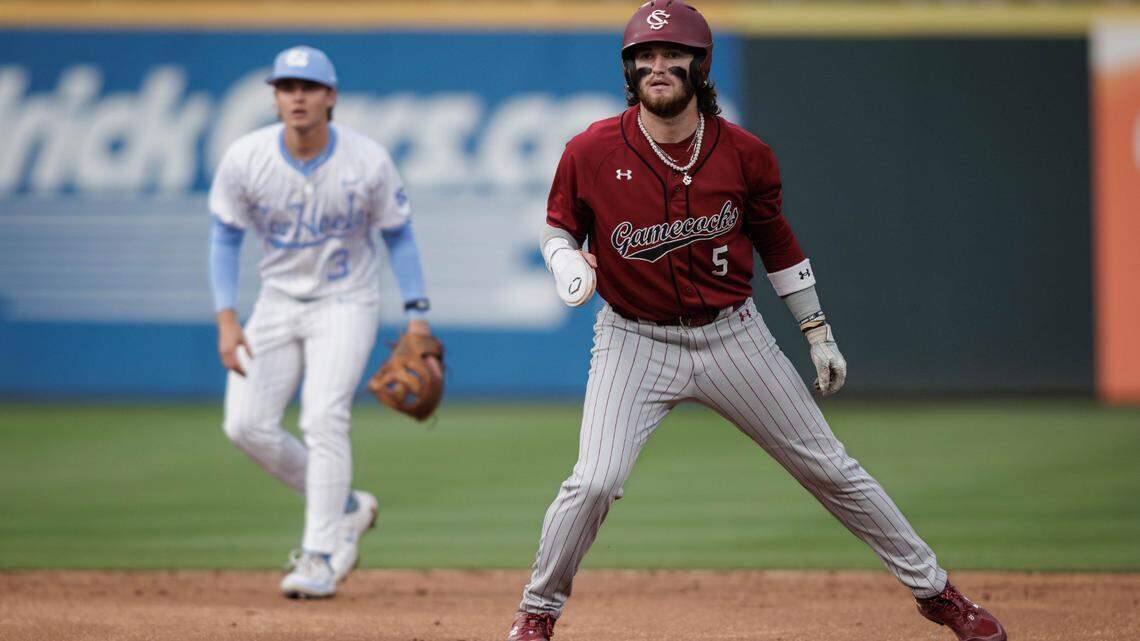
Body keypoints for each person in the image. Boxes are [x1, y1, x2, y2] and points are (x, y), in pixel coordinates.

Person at [506, 3, 1007, 640]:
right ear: (629, 70)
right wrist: (561, 259)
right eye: (644, 57)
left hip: (732, 336)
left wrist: (817, 332)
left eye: (672, 55)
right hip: (633, 338)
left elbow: (777, 245)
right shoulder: (591, 150)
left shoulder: (744, 154)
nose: (657, 66)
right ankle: (537, 612)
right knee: (594, 482)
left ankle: (938, 594)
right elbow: (558, 227)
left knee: (830, 468)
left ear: (700, 65)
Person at [207, 45, 437, 599]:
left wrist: (417, 315)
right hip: (277, 302)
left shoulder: (367, 160)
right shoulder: (246, 158)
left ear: (330, 96)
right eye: (286, 87)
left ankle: (320, 553)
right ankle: (348, 507)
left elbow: (398, 235)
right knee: (245, 425)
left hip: (345, 301)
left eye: (308, 87)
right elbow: (225, 236)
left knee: (323, 416)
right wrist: (226, 318)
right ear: (275, 97)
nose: (297, 97)